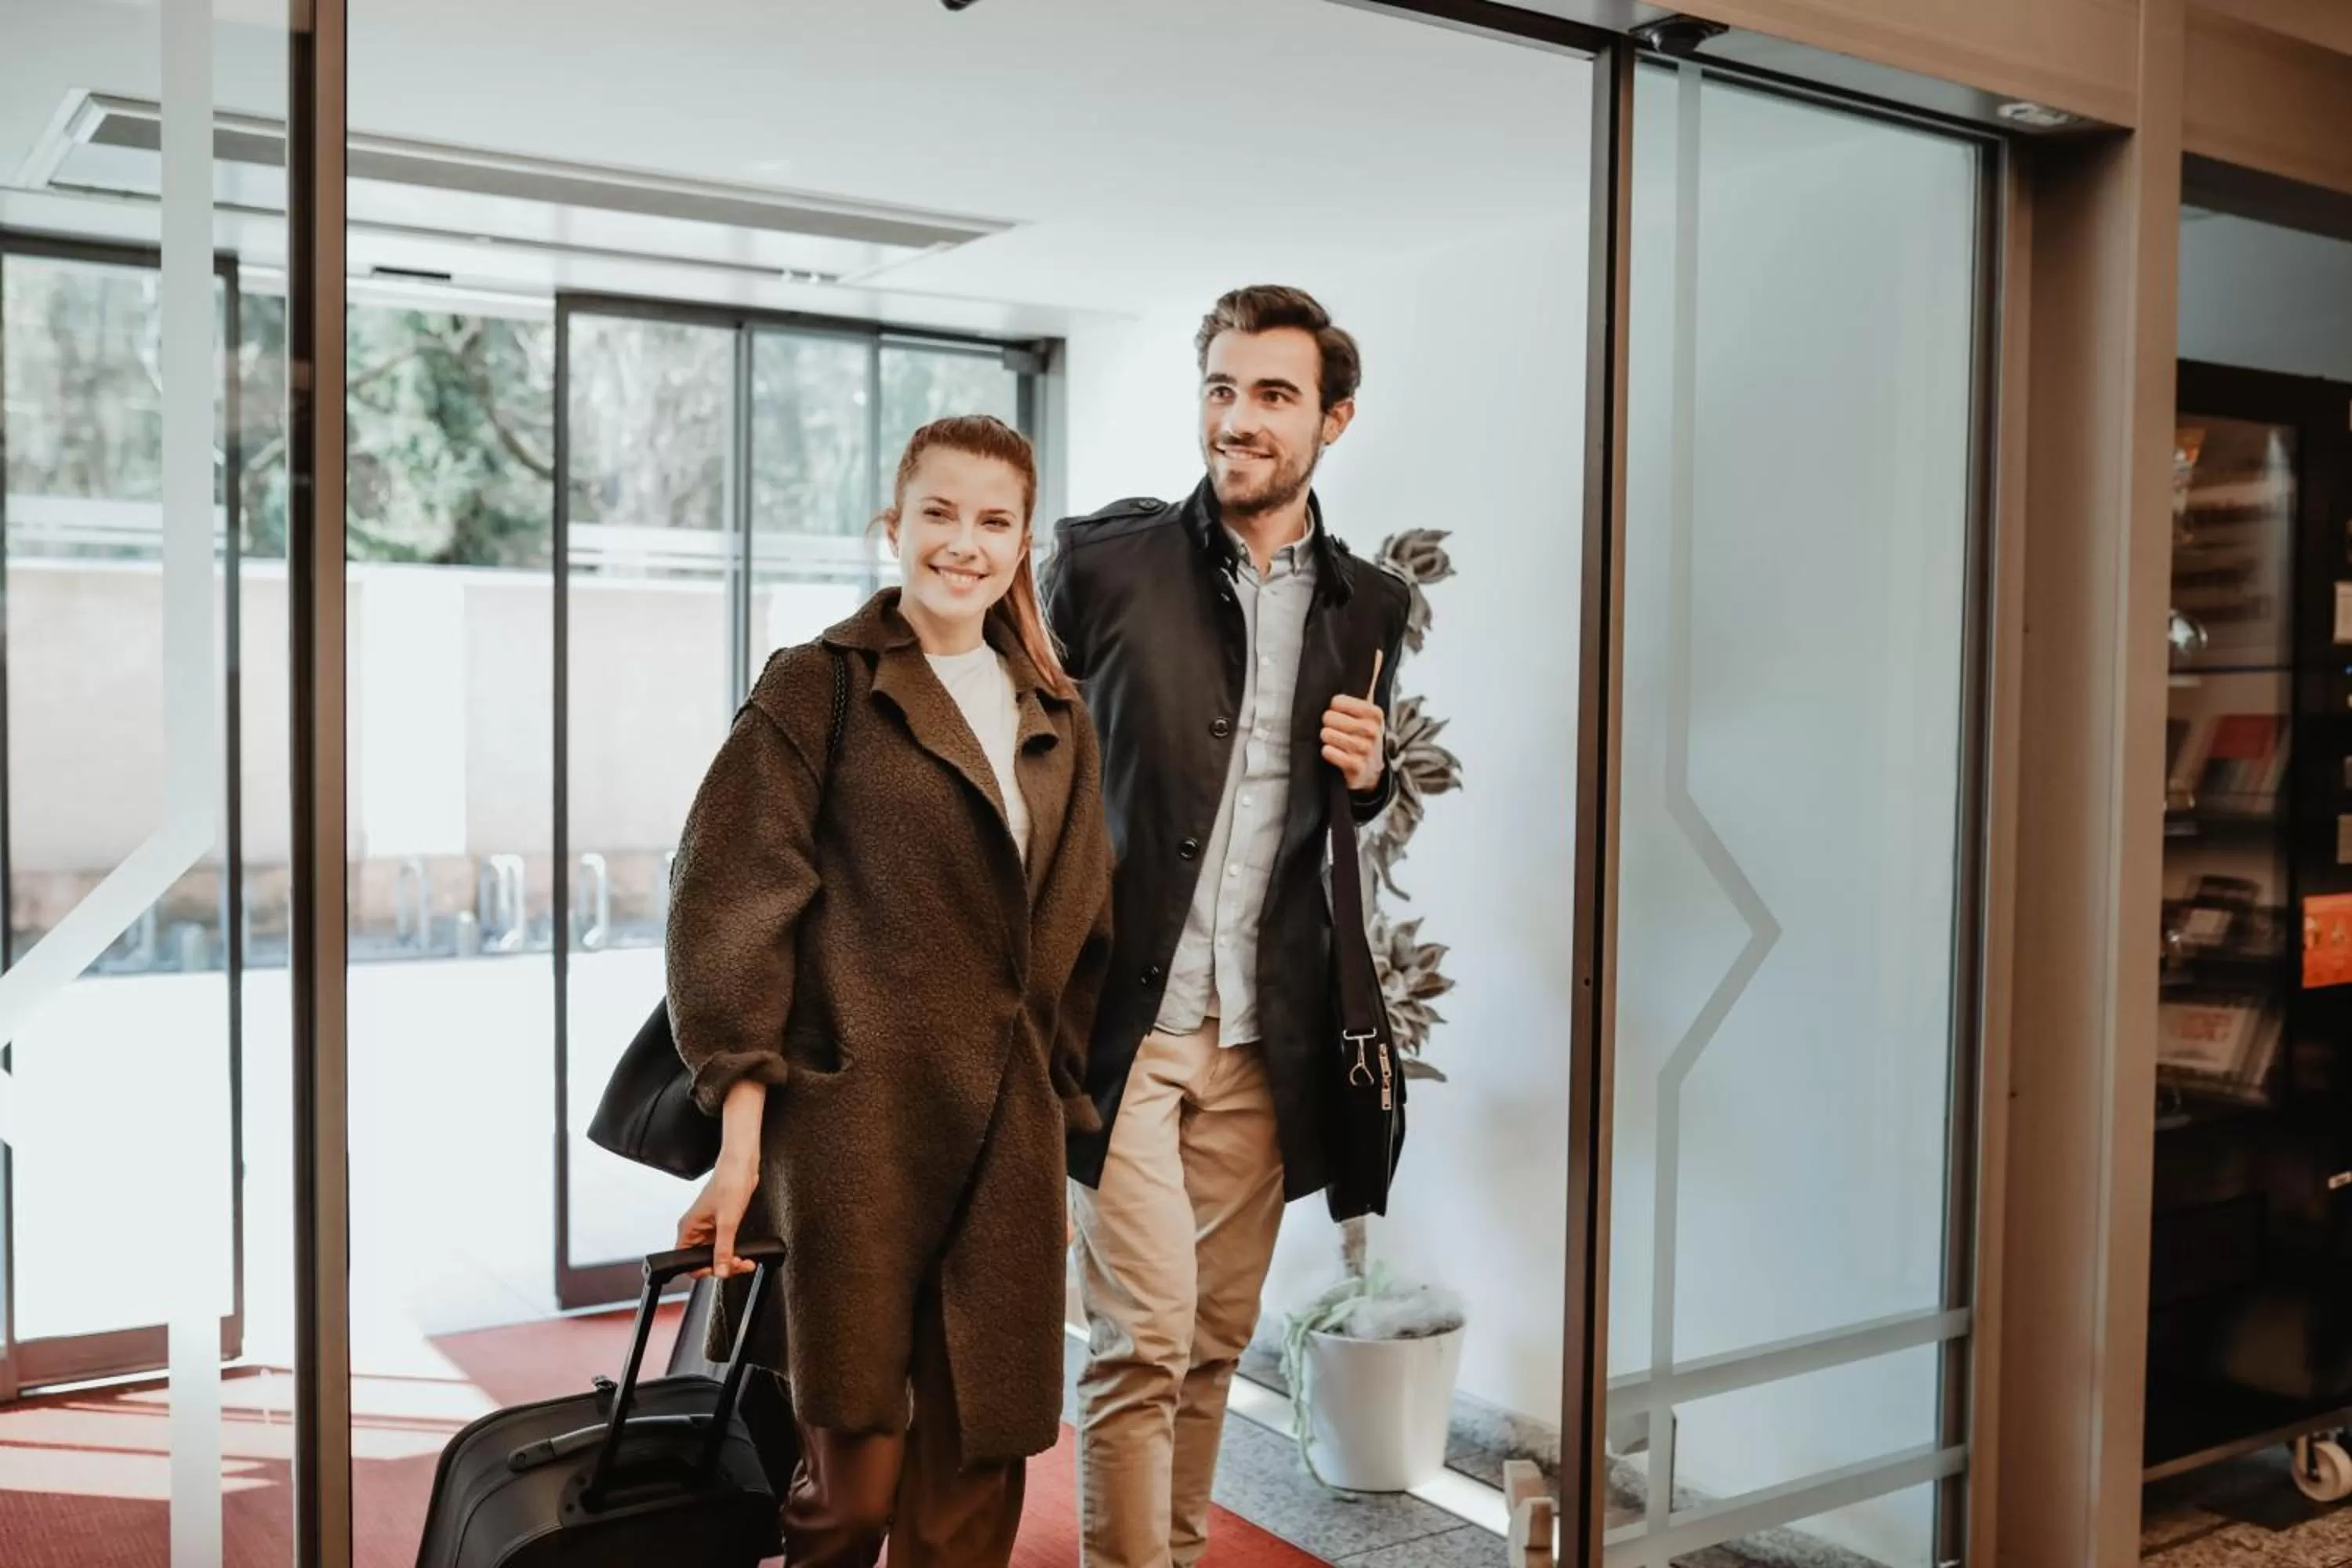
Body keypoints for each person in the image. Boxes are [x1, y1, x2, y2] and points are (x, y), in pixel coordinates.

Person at [667, 414, 1115, 1568]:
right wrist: (742, 1148)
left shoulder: (1057, 719)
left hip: (1006, 1149)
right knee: (846, 1499)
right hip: (854, 1140)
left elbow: (1078, 947)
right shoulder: (818, 687)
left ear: (1021, 547)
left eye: (994, 521)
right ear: (894, 525)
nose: (964, 543)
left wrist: (1057, 1132)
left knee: (968, 1501)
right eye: (939, 512)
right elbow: (728, 919)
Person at [1044, 285, 1409, 1568]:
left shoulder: (1373, 609)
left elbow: (1342, 812)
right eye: (1221, 388)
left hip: (1267, 1031)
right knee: (1141, 1338)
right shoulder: (1103, 562)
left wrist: (1370, 777)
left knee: (1210, 1342)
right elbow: (1023, 761)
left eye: (1273, 394)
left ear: (1333, 419)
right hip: (1122, 1024)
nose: (1238, 418)